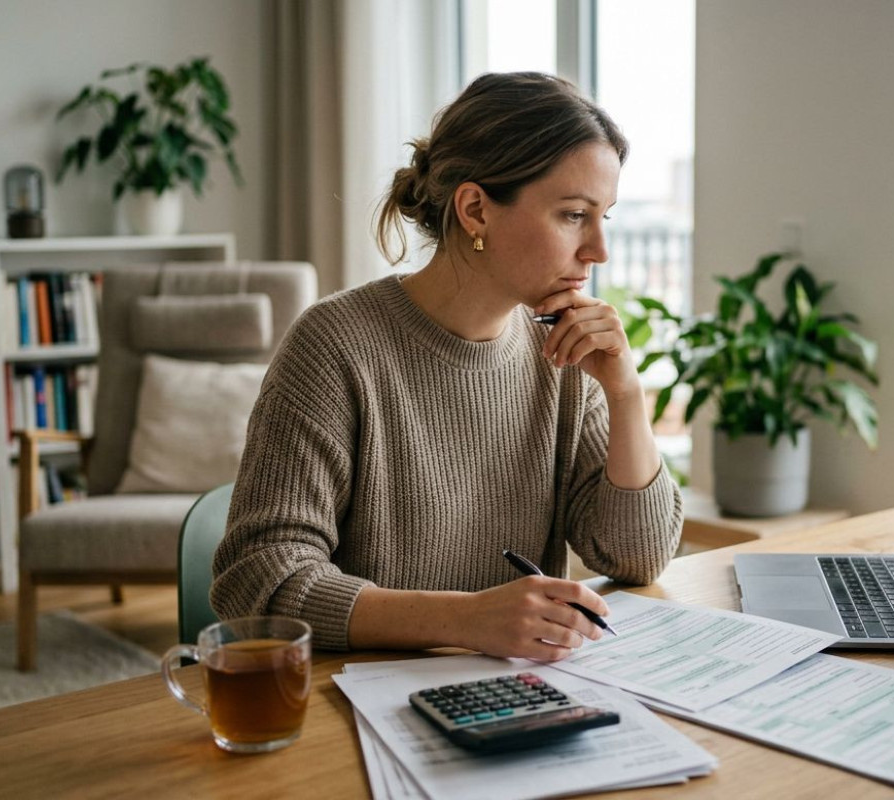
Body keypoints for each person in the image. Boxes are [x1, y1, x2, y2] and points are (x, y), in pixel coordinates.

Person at [210, 72, 682, 661]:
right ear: (476, 209)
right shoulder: (334, 346)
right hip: (355, 707)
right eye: (571, 215)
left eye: (602, 218)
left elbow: (635, 557)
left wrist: (626, 395)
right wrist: (465, 619)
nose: (598, 251)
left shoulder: (563, 358)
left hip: (519, 692)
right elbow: (257, 580)